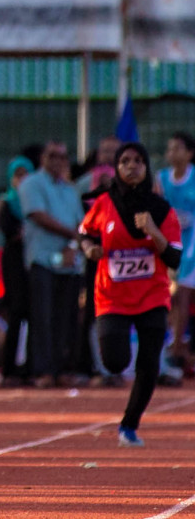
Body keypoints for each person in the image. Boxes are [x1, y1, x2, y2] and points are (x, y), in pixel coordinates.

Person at [79, 142, 182, 446]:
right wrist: (90, 249)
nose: (131, 166)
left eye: (138, 161)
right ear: (117, 168)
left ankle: (129, 425)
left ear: (146, 167)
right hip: (112, 295)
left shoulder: (161, 209)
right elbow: (84, 233)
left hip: (152, 295)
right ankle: (116, 372)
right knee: (114, 362)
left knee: (148, 363)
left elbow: (175, 258)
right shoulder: (103, 204)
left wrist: (154, 232)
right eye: (125, 161)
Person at [19, 140, 86, 387]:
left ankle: (62, 368)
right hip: (43, 259)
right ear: (43, 158)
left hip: (68, 261)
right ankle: (42, 370)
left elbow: (81, 224)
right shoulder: (31, 184)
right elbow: (38, 215)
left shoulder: (70, 190)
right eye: (52, 156)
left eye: (62, 156)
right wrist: (71, 236)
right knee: (42, 316)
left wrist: (72, 246)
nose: (57, 161)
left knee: (66, 318)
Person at [155, 132, 195, 373]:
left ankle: (179, 344)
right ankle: (177, 342)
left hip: (193, 241)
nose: (173, 153)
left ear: (189, 153)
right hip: (171, 240)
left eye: (178, 148)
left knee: (183, 292)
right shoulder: (161, 179)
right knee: (171, 294)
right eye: (170, 148)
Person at [0, 156, 35, 385]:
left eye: (25, 174)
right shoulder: (6, 202)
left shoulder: (36, 203)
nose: (22, 180)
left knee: (33, 315)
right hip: (14, 262)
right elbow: (9, 231)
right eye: (17, 175)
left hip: (33, 262)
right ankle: (9, 368)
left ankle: (29, 367)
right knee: (16, 313)